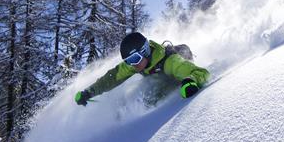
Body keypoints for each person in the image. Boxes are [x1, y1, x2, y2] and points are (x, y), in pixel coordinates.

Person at [74, 32, 210, 106]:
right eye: (128, 61)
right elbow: (112, 78)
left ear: (145, 51)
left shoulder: (170, 61)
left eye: (134, 59)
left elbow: (200, 72)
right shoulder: (137, 63)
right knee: (141, 98)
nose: (133, 64)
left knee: (150, 97)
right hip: (160, 80)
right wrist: (89, 92)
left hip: (178, 79)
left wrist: (190, 81)